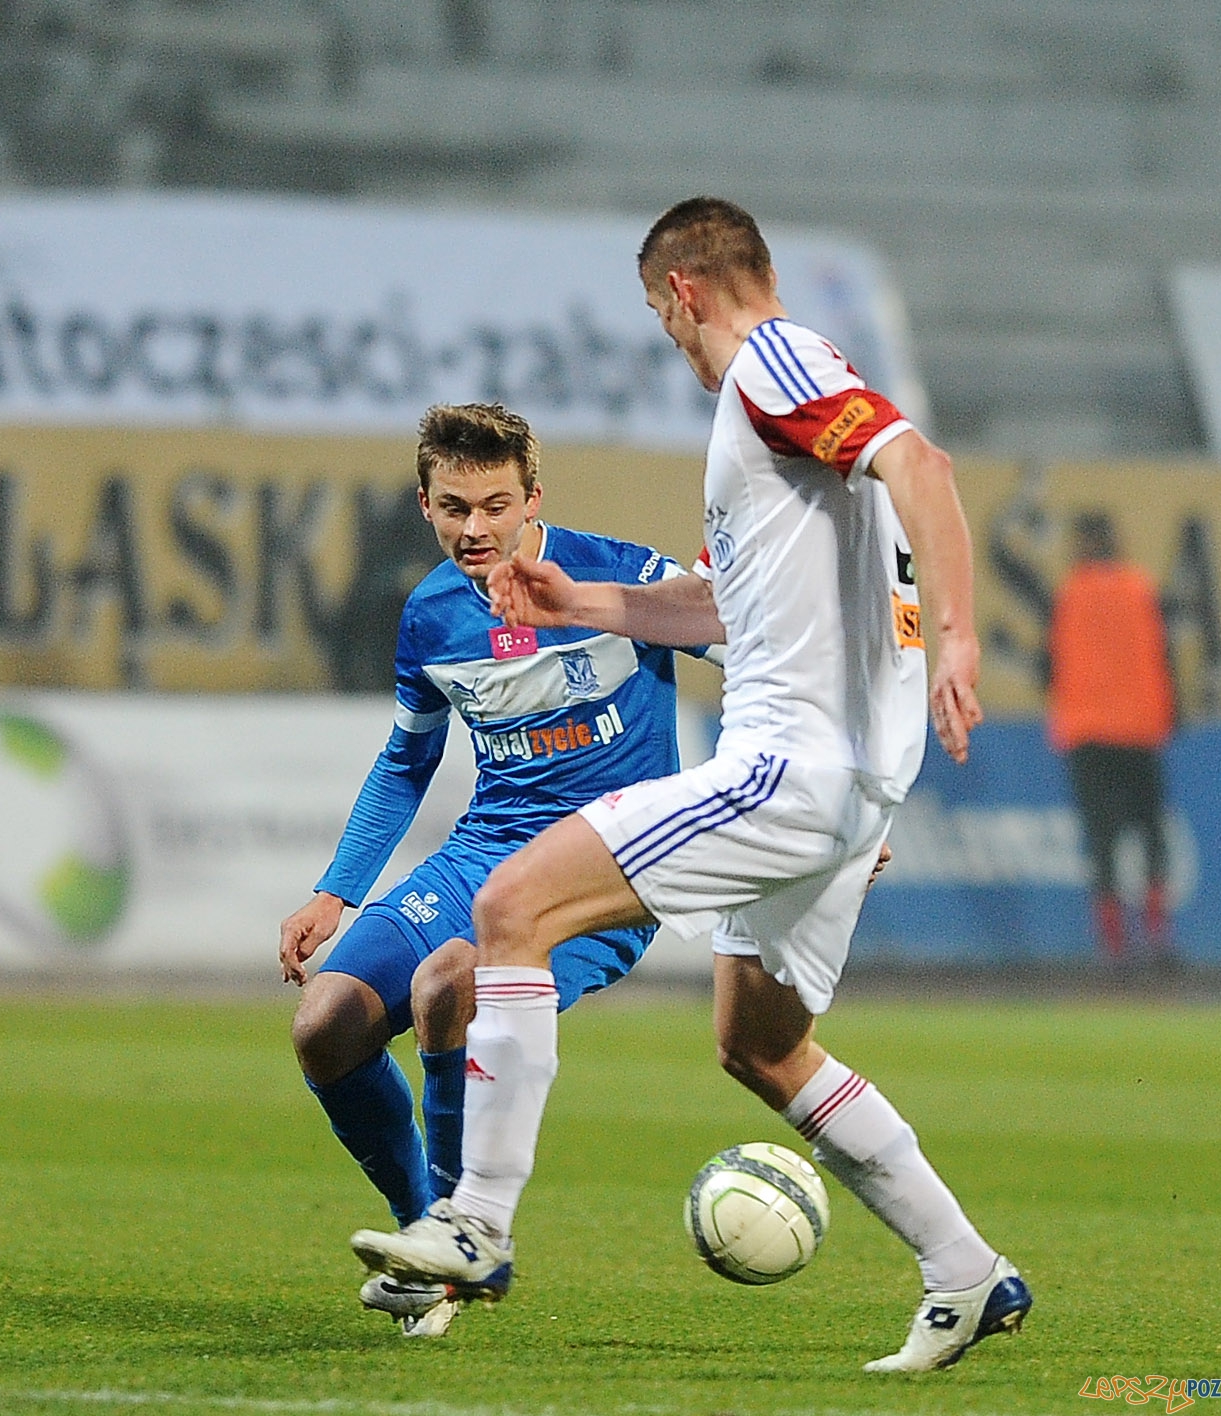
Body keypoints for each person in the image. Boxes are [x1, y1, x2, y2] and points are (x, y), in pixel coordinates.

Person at [349, 198, 1032, 1374]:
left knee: (511, 908)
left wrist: (961, 639)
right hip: (850, 780)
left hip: (788, 766)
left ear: (682, 294)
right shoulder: (800, 403)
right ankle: (965, 1271)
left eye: (660, 315)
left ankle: (475, 1221)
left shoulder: (768, 370)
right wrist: (588, 603)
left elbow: (925, 465)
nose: (668, 337)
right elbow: (729, 606)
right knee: (759, 1043)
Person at [280, 401, 707, 1337]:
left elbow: (758, 648)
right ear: (424, 504)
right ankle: (423, 1240)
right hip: (481, 854)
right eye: (453, 508)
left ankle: (460, 1237)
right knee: (325, 1027)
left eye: (495, 505)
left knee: (449, 983)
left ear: (532, 499)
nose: (475, 529)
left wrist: (811, 790)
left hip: (606, 873)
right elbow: (406, 759)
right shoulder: (430, 614)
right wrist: (336, 888)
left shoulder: (622, 576)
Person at [1046, 510, 1176, 963]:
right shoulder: (1140, 589)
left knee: (1102, 840)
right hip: (1140, 729)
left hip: (1088, 733)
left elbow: (1050, 667)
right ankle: (1158, 937)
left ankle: (1114, 947)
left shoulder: (1069, 594)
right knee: (1152, 835)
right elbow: (1165, 657)